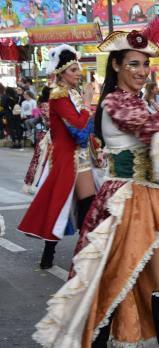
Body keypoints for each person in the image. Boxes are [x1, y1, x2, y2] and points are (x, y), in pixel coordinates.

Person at [32, 16, 159, 348]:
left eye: (145, 64)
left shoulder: (143, 101)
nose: (142, 71)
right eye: (133, 64)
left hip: (155, 201)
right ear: (116, 66)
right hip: (124, 201)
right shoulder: (114, 101)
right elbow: (154, 132)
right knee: (109, 282)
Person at [18, 44, 99, 269]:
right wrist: (87, 104)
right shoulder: (59, 95)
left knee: (85, 205)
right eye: (73, 69)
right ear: (62, 72)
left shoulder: (71, 93)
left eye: (77, 68)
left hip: (80, 157)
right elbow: (80, 131)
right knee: (60, 207)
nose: (78, 72)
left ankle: (83, 253)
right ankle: (60, 255)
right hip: (67, 158)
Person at [23, 86, 51, 195]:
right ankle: (37, 184)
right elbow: (48, 121)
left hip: (46, 133)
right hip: (45, 135)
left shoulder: (46, 104)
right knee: (40, 160)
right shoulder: (45, 105)